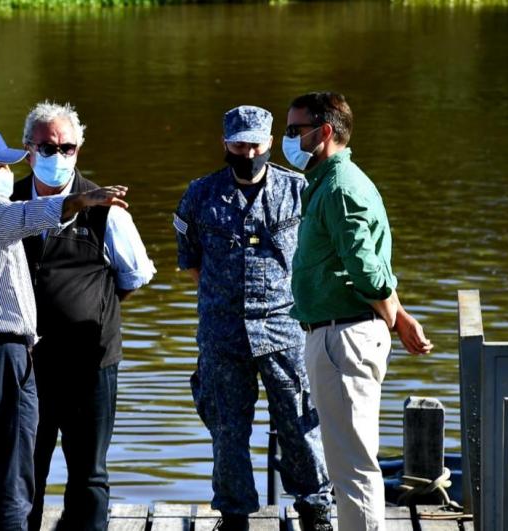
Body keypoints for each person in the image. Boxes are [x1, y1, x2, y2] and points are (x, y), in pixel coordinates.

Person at [0, 124, 130, 531]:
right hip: (0, 355)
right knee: (11, 473)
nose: (5, 171)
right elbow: (30, 213)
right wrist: (80, 200)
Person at [174, 106, 333, 531]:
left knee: (300, 422)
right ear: (225, 144)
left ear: (269, 143)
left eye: (256, 144)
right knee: (227, 429)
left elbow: (316, 254)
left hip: (284, 328)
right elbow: (191, 261)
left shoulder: (299, 190)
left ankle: (315, 508)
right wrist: (225, 297)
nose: (248, 152)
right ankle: (234, 514)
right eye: (239, 144)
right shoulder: (200, 195)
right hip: (222, 332)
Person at [282, 92, 433, 530]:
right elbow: (365, 267)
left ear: (324, 132)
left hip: (343, 338)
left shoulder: (340, 188)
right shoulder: (330, 182)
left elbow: (366, 272)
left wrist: (393, 314)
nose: (287, 140)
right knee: (348, 461)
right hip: (338, 334)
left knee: (353, 468)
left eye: (295, 130)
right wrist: (399, 317)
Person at [11, 101, 156, 531]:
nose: (59, 156)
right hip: (26, 365)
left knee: (89, 474)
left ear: (79, 150)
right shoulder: (5, 203)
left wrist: (85, 305)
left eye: (68, 148)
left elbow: (132, 277)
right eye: (48, 147)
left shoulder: (106, 208)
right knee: (25, 471)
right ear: (28, 149)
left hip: (90, 364)